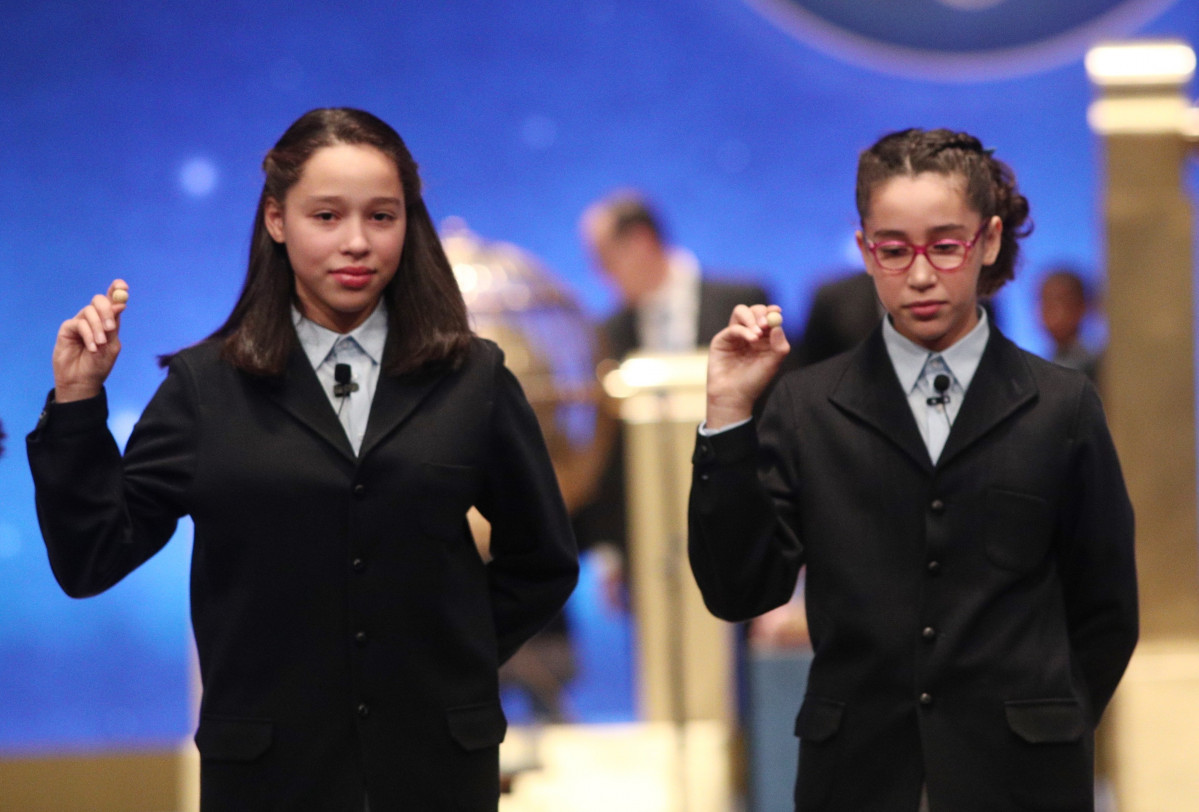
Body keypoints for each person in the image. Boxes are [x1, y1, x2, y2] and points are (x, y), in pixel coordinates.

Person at [26, 107, 578, 811]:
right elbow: (92, 558)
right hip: (269, 774)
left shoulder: (473, 377)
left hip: (435, 769)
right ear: (276, 220)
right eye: (326, 216)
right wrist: (77, 403)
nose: (356, 242)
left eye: (382, 216)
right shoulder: (204, 388)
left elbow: (544, 559)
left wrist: (444, 662)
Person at [688, 128, 1137, 811]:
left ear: (986, 242)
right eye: (894, 250)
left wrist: (1051, 720)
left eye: (944, 244)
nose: (920, 275)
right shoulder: (807, 408)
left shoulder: (1060, 404)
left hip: (1023, 779)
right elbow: (737, 590)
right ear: (866, 250)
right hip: (857, 775)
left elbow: (1105, 605)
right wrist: (727, 412)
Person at [574, 191, 769, 598]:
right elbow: (612, 450)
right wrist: (612, 547)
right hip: (649, 541)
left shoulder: (741, 300)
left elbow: (777, 417)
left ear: (642, 242)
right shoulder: (609, 332)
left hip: (741, 523)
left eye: (604, 259)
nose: (600, 275)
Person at [1039, 267, 1102, 384]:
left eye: (1059, 301)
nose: (1051, 312)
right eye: (1046, 302)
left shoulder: (1096, 368)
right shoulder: (1040, 369)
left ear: (1081, 306)